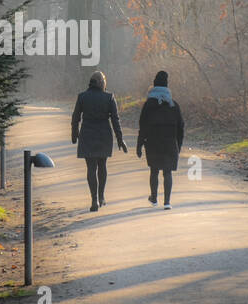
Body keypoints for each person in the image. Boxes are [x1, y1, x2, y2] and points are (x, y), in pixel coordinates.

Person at [71, 70, 126, 212]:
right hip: (103, 134)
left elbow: (75, 117)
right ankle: (101, 196)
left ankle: (94, 198)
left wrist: (74, 133)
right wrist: (120, 139)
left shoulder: (82, 97)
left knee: (91, 168)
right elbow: (115, 119)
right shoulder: (109, 97)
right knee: (102, 166)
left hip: (87, 134)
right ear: (102, 82)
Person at [136, 70, 184, 210]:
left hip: (152, 142)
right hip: (169, 142)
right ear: (167, 86)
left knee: (154, 170)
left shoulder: (148, 105)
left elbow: (142, 125)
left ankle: (154, 198)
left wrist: (139, 145)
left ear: (154, 85)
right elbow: (181, 126)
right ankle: (167, 202)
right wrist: (178, 145)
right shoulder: (173, 105)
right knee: (167, 172)